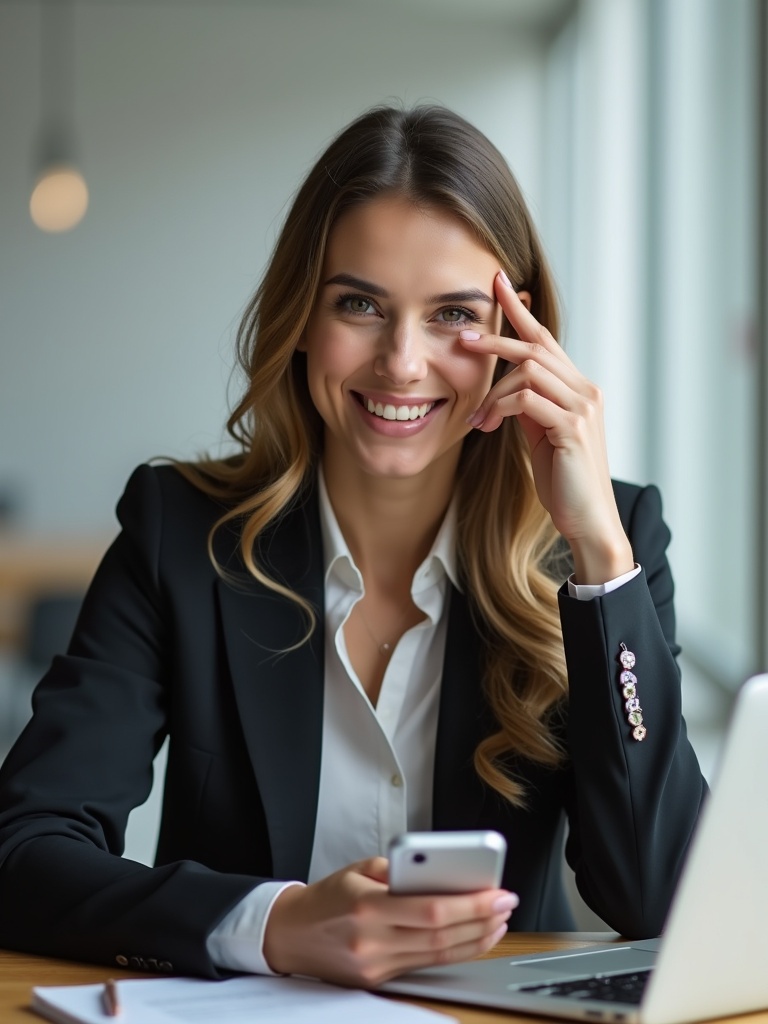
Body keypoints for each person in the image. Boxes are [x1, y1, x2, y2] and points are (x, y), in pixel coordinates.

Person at [0, 105, 706, 988]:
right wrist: (274, 924)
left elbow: (665, 902)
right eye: (360, 304)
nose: (402, 362)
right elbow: (24, 851)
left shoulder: (609, 542)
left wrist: (599, 551)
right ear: (301, 316)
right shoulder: (178, 532)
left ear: (518, 344)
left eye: (454, 313)